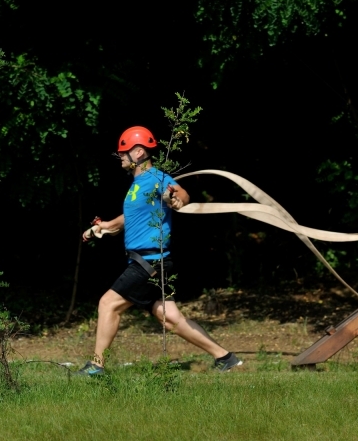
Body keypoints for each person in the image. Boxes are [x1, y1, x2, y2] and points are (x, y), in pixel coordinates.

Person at [74, 126, 242, 375]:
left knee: (108, 303)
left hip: (149, 261)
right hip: (151, 261)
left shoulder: (155, 178)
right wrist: (106, 226)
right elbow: (132, 217)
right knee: (169, 317)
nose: (120, 157)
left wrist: (176, 197)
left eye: (124, 152)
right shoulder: (136, 186)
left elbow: (180, 193)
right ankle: (225, 358)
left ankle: (96, 366)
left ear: (139, 152)